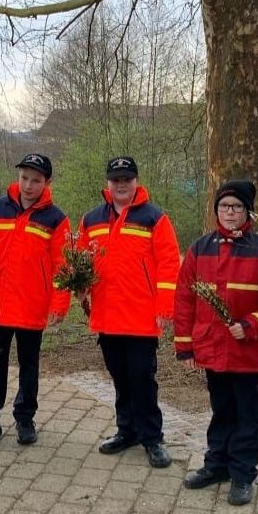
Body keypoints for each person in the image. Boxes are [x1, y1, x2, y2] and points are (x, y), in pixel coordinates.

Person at [174, 180, 258, 504]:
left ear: (246, 211)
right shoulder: (200, 248)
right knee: (221, 409)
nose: (230, 212)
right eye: (224, 206)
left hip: (247, 352)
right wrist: (185, 345)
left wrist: (253, 324)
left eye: (237, 206)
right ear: (216, 210)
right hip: (211, 347)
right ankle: (217, 465)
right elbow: (184, 297)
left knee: (247, 414)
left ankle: (243, 474)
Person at [78, 156, 180, 468]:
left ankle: (152, 437)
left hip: (141, 317)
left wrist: (165, 307)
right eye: (116, 179)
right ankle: (127, 430)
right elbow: (80, 260)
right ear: (108, 183)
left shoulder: (155, 218)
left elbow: (169, 265)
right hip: (107, 316)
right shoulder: (92, 219)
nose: (121, 185)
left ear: (136, 181)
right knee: (120, 378)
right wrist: (79, 285)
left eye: (127, 179)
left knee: (142, 379)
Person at [0, 153, 70, 449]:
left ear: (46, 182)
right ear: (18, 177)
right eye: (24, 178)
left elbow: (63, 265)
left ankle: (25, 417)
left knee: (29, 365)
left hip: (32, 305)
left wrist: (59, 304)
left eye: (36, 180)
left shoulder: (55, 218)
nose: (28, 185)